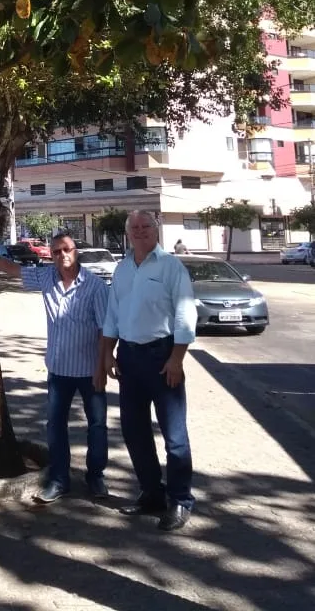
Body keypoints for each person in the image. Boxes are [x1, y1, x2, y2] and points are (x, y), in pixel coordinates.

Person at [0, 228, 110, 502]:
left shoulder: (94, 286)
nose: (62, 255)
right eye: (56, 251)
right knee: (55, 426)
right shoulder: (47, 277)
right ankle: (59, 480)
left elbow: (106, 330)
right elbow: (14, 270)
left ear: (75, 251)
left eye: (66, 249)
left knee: (97, 425)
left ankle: (96, 477)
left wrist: (103, 367)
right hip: (58, 369)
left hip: (90, 370)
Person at [102, 209, 198, 532]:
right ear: (128, 233)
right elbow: (112, 315)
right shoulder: (122, 269)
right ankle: (152, 494)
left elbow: (185, 314)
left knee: (174, 436)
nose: (140, 231)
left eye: (146, 226)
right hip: (129, 359)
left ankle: (180, 500)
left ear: (155, 231)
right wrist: (108, 354)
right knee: (134, 431)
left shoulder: (171, 267)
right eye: (135, 227)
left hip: (163, 359)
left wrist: (177, 358)